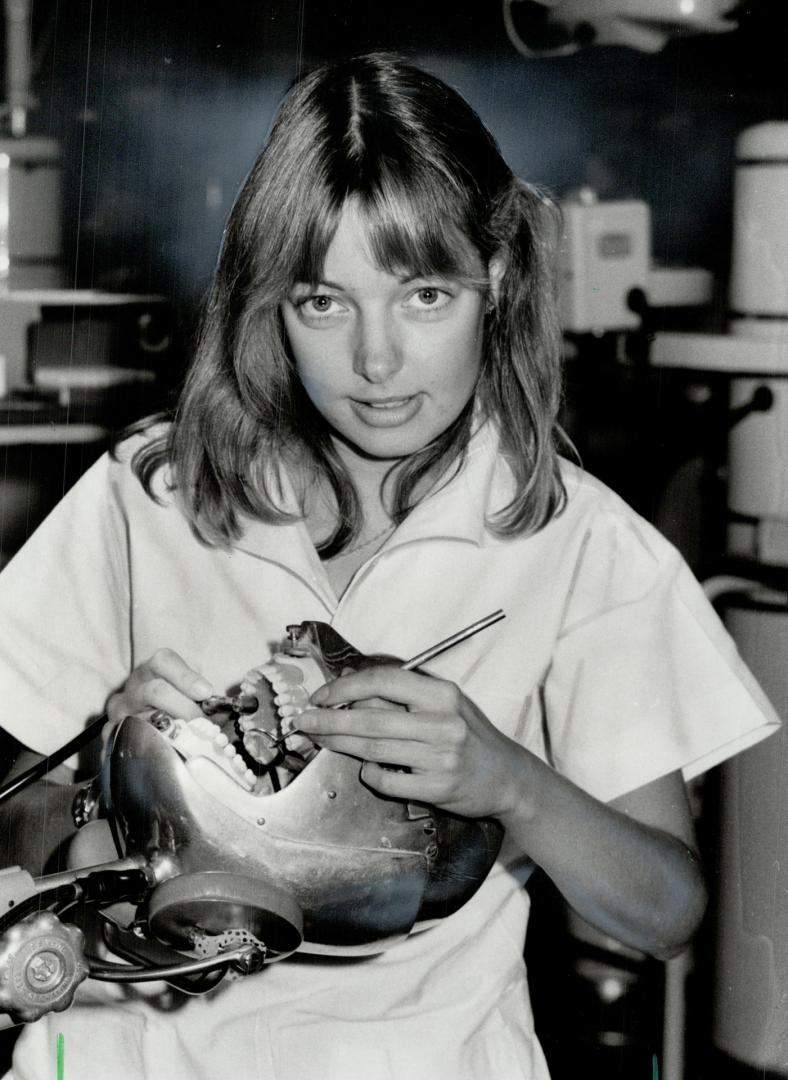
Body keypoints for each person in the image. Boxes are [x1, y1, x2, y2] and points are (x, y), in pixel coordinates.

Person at [0, 52, 779, 1080]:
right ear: (270, 302)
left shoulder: (579, 545)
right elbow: (16, 813)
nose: (376, 363)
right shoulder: (151, 494)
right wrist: (112, 768)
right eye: (324, 302)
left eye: (422, 296)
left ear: (494, 278)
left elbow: (666, 916)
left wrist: (510, 783)